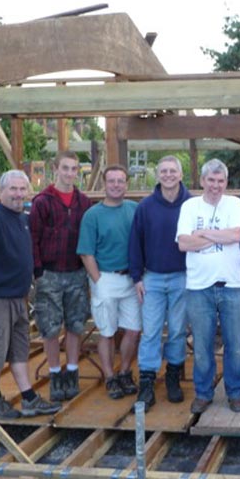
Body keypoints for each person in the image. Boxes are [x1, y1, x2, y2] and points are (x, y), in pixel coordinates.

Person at [0, 170, 61, 419]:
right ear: (0, 192)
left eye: (22, 189)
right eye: (12, 189)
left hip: (18, 297)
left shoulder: (23, 218)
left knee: (18, 350)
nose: (18, 194)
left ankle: (28, 398)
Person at [177, 159, 240, 414]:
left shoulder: (235, 204)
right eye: (211, 180)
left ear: (225, 182)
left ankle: (235, 392)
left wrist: (202, 234)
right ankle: (204, 393)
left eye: (220, 181)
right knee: (203, 345)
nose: (216, 185)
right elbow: (183, 244)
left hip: (231, 285)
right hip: (198, 287)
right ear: (203, 181)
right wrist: (217, 235)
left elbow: (235, 236)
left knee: (235, 344)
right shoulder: (189, 206)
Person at [128, 155, 191, 411]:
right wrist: (136, 277)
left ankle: (173, 378)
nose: (167, 175)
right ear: (158, 175)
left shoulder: (191, 203)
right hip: (152, 277)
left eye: (172, 171)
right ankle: (147, 382)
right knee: (151, 331)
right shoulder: (145, 207)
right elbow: (135, 243)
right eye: (163, 171)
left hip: (183, 277)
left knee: (177, 330)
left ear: (180, 174)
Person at [29, 151, 93, 402]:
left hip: (76, 272)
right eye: (65, 168)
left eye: (74, 169)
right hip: (50, 274)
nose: (69, 173)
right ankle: (56, 375)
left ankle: (73, 372)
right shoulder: (42, 201)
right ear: (55, 169)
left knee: (76, 325)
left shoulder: (84, 203)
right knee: (50, 327)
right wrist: (38, 271)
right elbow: (32, 238)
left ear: (78, 172)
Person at [77, 165, 141, 400]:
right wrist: (98, 280)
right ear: (105, 184)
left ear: (126, 184)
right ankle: (109, 376)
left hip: (131, 279)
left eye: (121, 181)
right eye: (112, 181)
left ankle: (124, 371)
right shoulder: (93, 215)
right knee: (106, 331)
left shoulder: (135, 210)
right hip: (105, 277)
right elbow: (86, 252)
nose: (116, 185)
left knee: (133, 330)